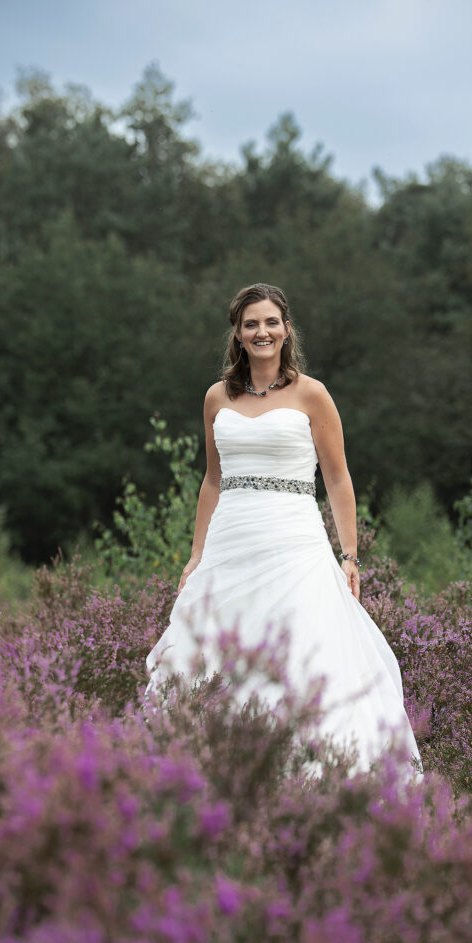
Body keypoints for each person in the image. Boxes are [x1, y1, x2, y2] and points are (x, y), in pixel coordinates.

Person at [145, 282, 423, 778]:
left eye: (271, 322)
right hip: (231, 541)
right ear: (237, 334)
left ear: (287, 330)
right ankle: (218, 771)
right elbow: (212, 479)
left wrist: (350, 555)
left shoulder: (312, 394)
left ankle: (310, 773)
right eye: (251, 323)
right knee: (215, 654)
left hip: (294, 542)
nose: (262, 331)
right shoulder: (216, 398)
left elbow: (337, 478)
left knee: (303, 652)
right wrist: (196, 555)